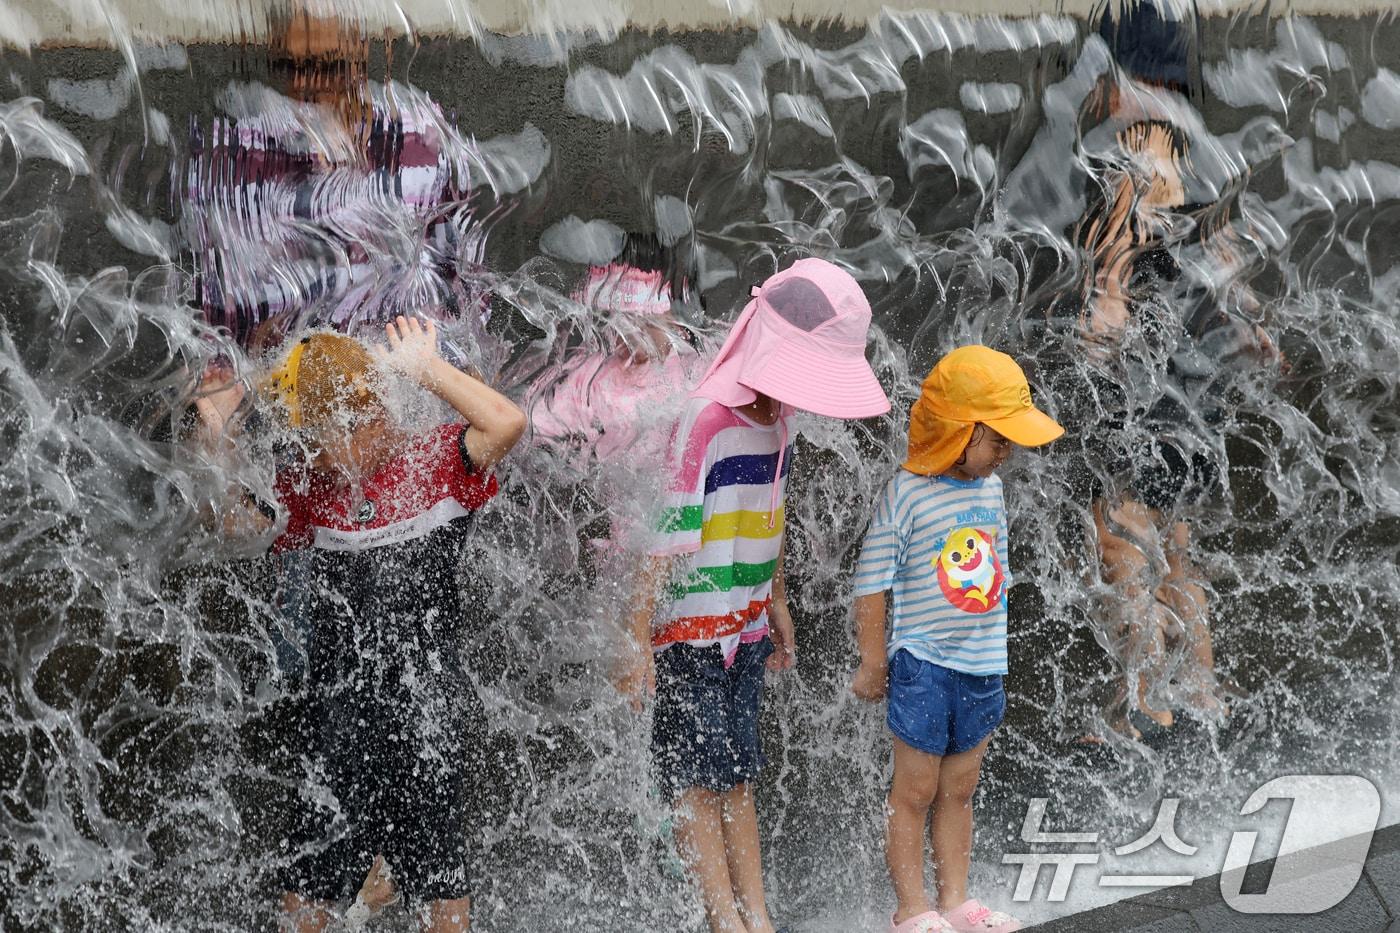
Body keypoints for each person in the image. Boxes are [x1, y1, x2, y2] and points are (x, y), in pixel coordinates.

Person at [193, 316, 526, 933]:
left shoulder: (436, 465)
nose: (315, 456)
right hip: (337, 730)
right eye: (315, 440)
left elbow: (507, 422)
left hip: (426, 726)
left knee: (445, 910)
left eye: (372, 411)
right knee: (306, 907)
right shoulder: (310, 489)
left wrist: (427, 369)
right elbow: (235, 528)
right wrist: (215, 441)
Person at [621, 258, 891, 933]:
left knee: (737, 773)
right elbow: (669, 531)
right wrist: (634, 634)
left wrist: (775, 600)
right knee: (695, 780)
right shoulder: (706, 419)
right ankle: (724, 918)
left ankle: (758, 915)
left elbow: (770, 509)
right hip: (688, 637)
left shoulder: (779, 422)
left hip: (742, 629)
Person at [850, 346, 1063, 933]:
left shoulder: (990, 492)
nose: (1007, 452)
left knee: (960, 789)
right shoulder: (908, 493)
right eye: (997, 439)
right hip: (923, 662)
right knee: (914, 791)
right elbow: (872, 583)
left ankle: (957, 902)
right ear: (956, 431)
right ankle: (912, 910)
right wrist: (873, 659)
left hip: (982, 662)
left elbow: (995, 572)